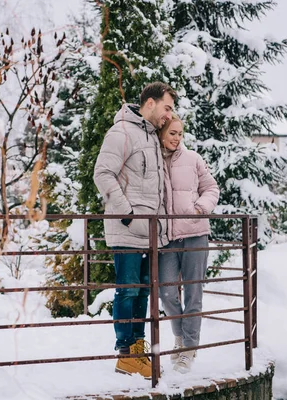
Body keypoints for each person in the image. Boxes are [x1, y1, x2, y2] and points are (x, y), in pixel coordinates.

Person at [93, 82, 177, 379]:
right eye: (167, 107)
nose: (169, 115)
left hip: (148, 231)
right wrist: (125, 212)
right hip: (128, 229)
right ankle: (125, 352)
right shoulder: (122, 132)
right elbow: (102, 173)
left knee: (142, 290)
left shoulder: (152, 137)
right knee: (127, 289)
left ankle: (138, 350)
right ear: (150, 103)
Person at [158, 114, 220, 373]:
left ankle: (189, 349)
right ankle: (180, 337)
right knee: (167, 292)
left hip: (195, 234)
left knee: (193, 293)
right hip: (167, 238)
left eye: (180, 133)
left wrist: (200, 208)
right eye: (172, 133)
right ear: (161, 133)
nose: (176, 138)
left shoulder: (193, 159)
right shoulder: (154, 161)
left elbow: (212, 188)